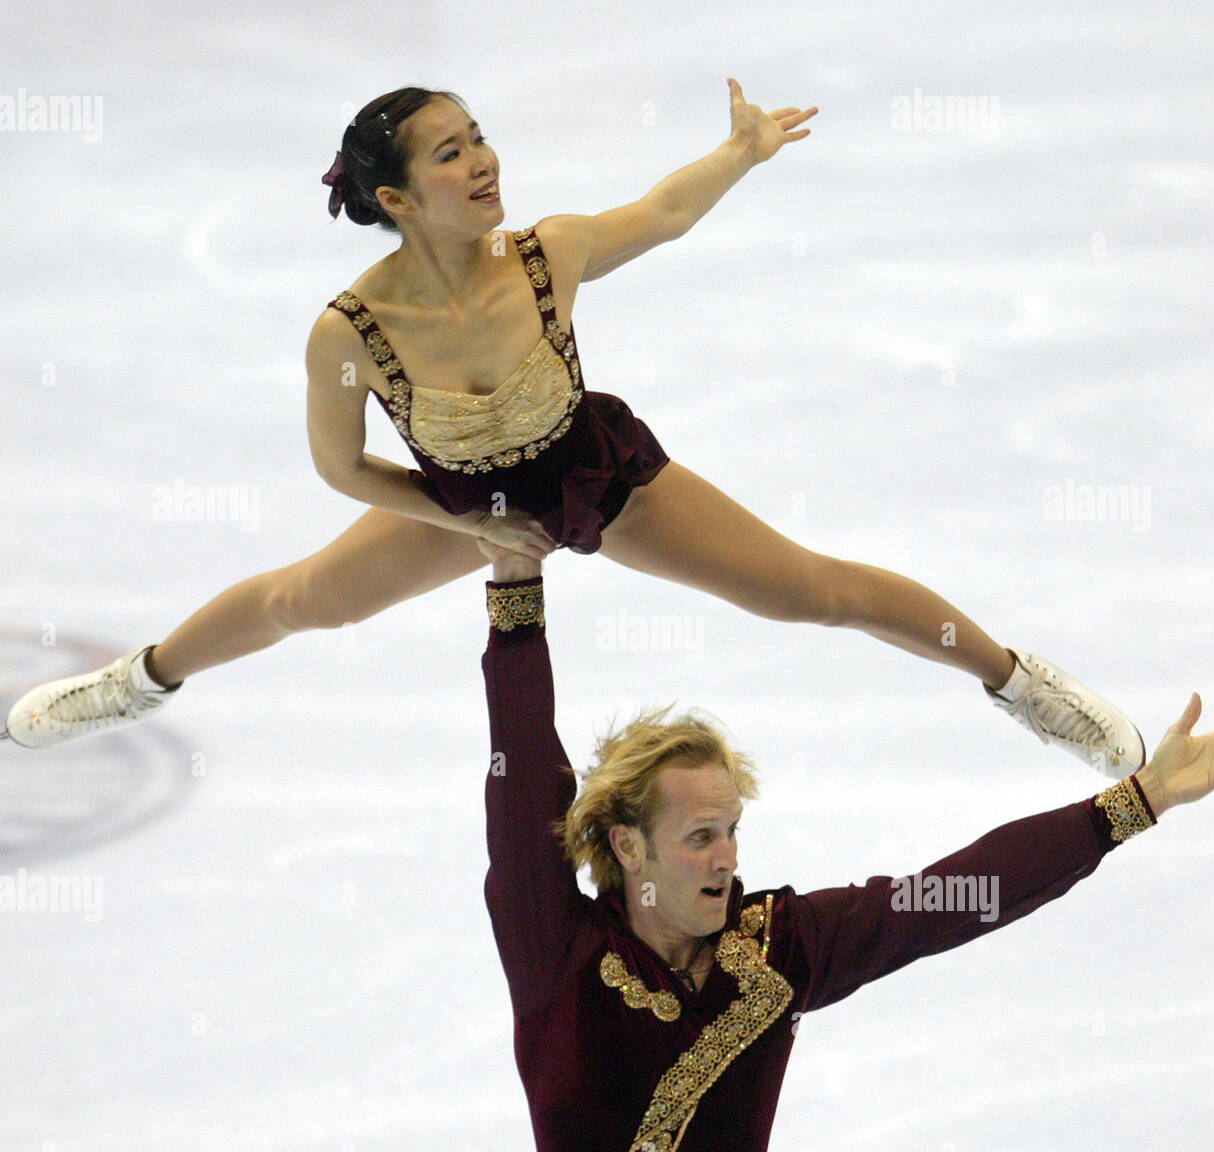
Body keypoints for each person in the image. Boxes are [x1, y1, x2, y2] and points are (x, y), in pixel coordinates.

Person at [6, 81, 1141, 776]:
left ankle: (1020, 683)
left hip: (597, 471)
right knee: (301, 601)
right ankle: (127, 686)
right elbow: (338, 465)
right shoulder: (350, 327)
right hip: (458, 499)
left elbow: (660, 212)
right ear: (395, 197)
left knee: (810, 590)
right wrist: (466, 516)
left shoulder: (547, 253)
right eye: (449, 152)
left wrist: (739, 152)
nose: (482, 159)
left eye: (479, 135)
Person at [476, 545, 1214, 1152]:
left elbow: (952, 897)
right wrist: (516, 584)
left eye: (731, 831)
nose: (728, 857)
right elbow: (521, 779)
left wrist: (1137, 801)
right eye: (699, 837)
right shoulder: (559, 947)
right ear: (627, 846)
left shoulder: (777, 950)